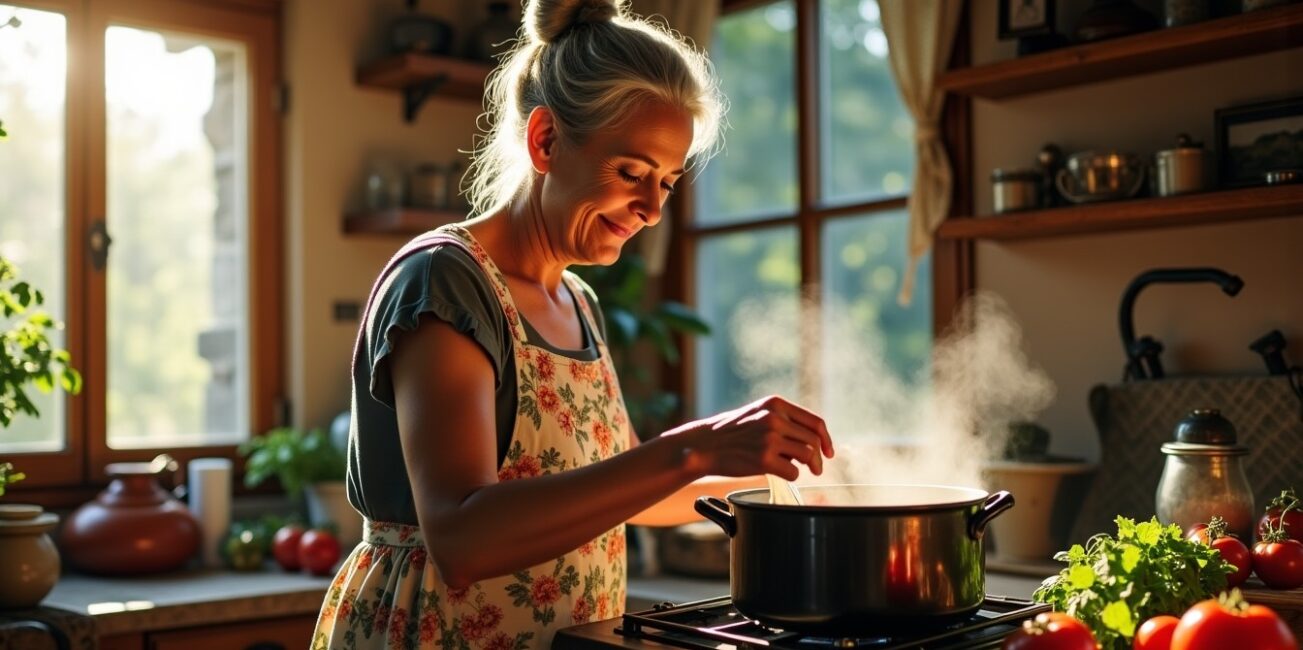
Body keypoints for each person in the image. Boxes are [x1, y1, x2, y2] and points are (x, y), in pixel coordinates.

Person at [312, 1, 835, 648]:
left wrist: (774, 481)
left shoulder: (577, 300)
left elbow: (614, 495)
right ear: (545, 140)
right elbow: (459, 538)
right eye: (631, 173)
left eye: (667, 182)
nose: (650, 209)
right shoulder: (444, 281)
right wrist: (692, 447)